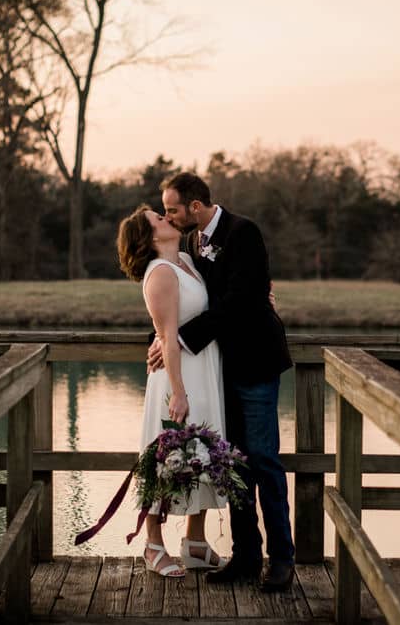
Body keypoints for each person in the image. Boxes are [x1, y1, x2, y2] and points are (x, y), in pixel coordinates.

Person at [151, 172, 295, 592]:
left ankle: (282, 559)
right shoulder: (192, 243)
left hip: (255, 364)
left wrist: (177, 339)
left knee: (265, 461)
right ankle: (247, 556)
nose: (168, 216)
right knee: (234, 466)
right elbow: (185, 302)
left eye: (172, 209)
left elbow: (238, 301)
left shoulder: (243, 232)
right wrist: (159, 339)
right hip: (219, 371)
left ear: (195, 207)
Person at [116, 204, 230, 578]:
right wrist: (178, 392)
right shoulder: (161, 273)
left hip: (203, 370)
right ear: (150, 237)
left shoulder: (185, 259)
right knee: (166, 456)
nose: (167, 219)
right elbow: (166, 336)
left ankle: (195, 543)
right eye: (159, 220)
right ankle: (153, 544)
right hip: (176, 379)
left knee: (202, 453)